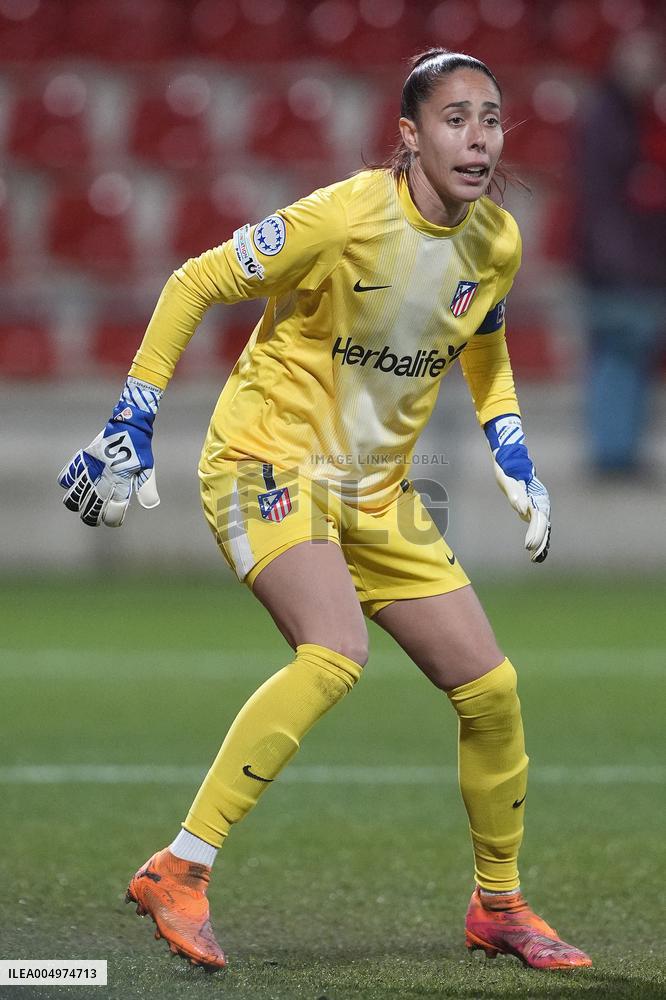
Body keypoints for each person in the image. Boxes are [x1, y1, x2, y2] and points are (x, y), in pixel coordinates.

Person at [58, 49, 591, 972]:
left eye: (492, 118)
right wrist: (132, 414)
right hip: (266, 458)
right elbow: (193, 280)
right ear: (410, 135)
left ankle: (498, 905)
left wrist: (512, 448)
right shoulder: (344, 217)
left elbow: (484, 342)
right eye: (456, 118)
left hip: (375, 487)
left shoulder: (494, 241)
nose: (478, 137)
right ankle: (179, 869)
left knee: (491, 690)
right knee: (336, 649)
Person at [575, 29, 666, 476]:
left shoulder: (634, 115)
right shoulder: (609, 117)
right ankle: (613, 455)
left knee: (627, 356)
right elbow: (603, 202)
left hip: (634, 264)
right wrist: (619, 263)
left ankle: (620, 452)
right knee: (617, 355)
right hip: (616, 267)